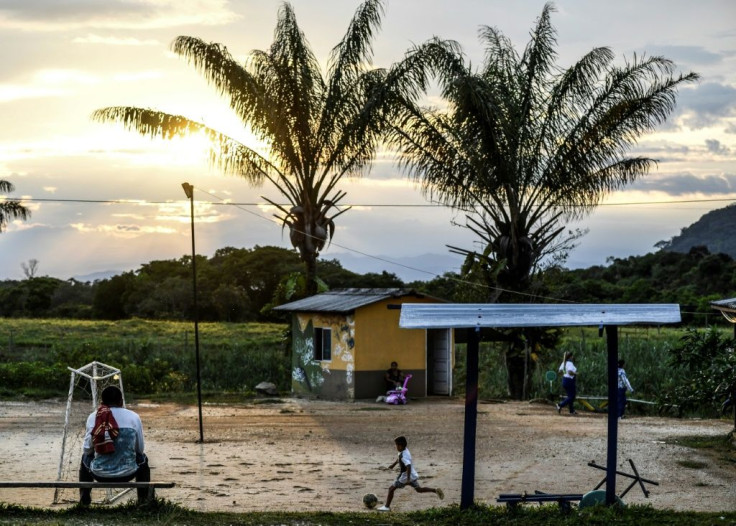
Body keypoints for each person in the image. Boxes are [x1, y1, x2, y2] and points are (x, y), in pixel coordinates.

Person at [78, 385, 150, 505]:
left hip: (99, 473)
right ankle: (144, 502)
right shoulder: (133, 417)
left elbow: (87, 450)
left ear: (102, 403)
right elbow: (140, 449)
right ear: (121, 401)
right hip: (128, 473)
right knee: (143, 459)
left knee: (85, 458)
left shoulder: (94, 417)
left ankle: (84, 502)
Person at [376, 435, 443, 512]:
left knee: (391, 489)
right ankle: (435, 490)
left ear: (400, 446)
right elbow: (399, 458)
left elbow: (408, 466)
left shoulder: (404, 455)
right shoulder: (404, 450)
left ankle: (387, 507)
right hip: (412, 475)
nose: (396, 447)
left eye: (396, 445)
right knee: (419, 489)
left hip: (405, 477)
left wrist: (407, 479)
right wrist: (393, 465)